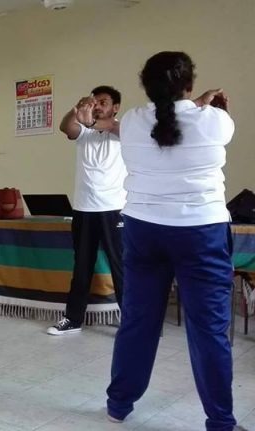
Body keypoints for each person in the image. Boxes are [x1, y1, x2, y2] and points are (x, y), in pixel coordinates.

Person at [106, 52, 242, 431]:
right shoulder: (216, 121)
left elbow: (170, 118)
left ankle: (118, 405)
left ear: (146, 86)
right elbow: (186, 118)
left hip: (142, 230)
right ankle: (220, 422)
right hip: (201, 232)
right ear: (189, 84)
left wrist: (195, 103)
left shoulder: (131, 121)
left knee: (138, 321)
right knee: (209, 329)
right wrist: (207, 105)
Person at [47, 86, 126, 335]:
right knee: (81, 266)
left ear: (115, 107)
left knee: (121, 268)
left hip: (115, 209)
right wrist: (76, 110)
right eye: (95, 102)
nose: (98, 106)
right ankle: (73, 319)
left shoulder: (123, 129)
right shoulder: (84, 132)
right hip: (83, 209)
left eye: (103, 102)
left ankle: (132, 322)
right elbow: (66, 127)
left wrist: (90, 120)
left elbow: (112, 127)